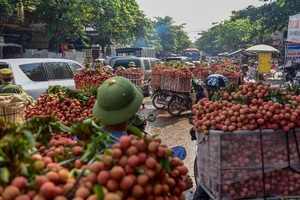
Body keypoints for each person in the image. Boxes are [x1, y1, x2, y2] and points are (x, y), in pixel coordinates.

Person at [192, 73, 229, 200]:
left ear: (211, 91)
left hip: (215, 161)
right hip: (233, 161)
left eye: (206, 90)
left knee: (200, 195)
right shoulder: (232, 106)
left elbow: (199, 127)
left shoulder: (210, 109)